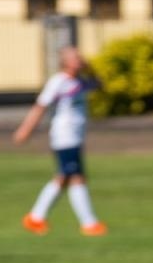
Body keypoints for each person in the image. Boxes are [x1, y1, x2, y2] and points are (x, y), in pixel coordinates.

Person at [14, 46, 106, 236]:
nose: (80, 60)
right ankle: (89, 223)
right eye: (76, 58)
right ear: (65, 62)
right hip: (65, 136)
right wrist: (25, 130)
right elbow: (40, 106)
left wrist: (89, 67)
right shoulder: (58, 82)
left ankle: (36, 218)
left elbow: (99, 84)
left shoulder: (79, 81)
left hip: (76, 136)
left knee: (64, 177)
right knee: (75, 177)